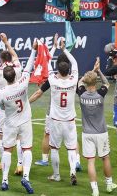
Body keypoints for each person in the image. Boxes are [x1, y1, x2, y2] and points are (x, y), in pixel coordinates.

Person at [29, 41, 80, 185]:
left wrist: (47, 48)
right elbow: (74, 62)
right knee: (71, 148)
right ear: (69, 70)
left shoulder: (52, 79)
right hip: (70, 120)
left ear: (58, 69)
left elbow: (47, 62)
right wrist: (64, 49)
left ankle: (57, 175)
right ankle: (72, 172)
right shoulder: (74, 79)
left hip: (55, 121)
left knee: (55, 149)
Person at [0, 42, 37, 194]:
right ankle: (25, 177)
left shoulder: (2, 93)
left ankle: (5, 180)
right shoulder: (23, 83)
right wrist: (33, 50)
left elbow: (1, 107)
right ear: (14, 75)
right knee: (27, 148)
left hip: (10, 123)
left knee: (7, 150)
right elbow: (28, 67)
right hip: (25, 120)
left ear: (5, 78)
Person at [77, 59, 117, 196]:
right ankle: (109, 184)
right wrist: (98, 70)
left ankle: (95, 189)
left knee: (90, 161)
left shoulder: (81, 93)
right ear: (95, 82)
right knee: (105, 157)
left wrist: (91, 72)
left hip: (87, 133)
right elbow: (107, 83)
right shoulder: (101, 93)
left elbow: (80, 82)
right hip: (101, 132)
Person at [0, 33, 25, 173]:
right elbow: (15, 56)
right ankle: (20, 164)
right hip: (17, 105)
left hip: (4, 106)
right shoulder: (17, 67)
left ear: (2, 59)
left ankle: (4, 164)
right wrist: (6, 42)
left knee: (1, 135)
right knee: (19, 136)